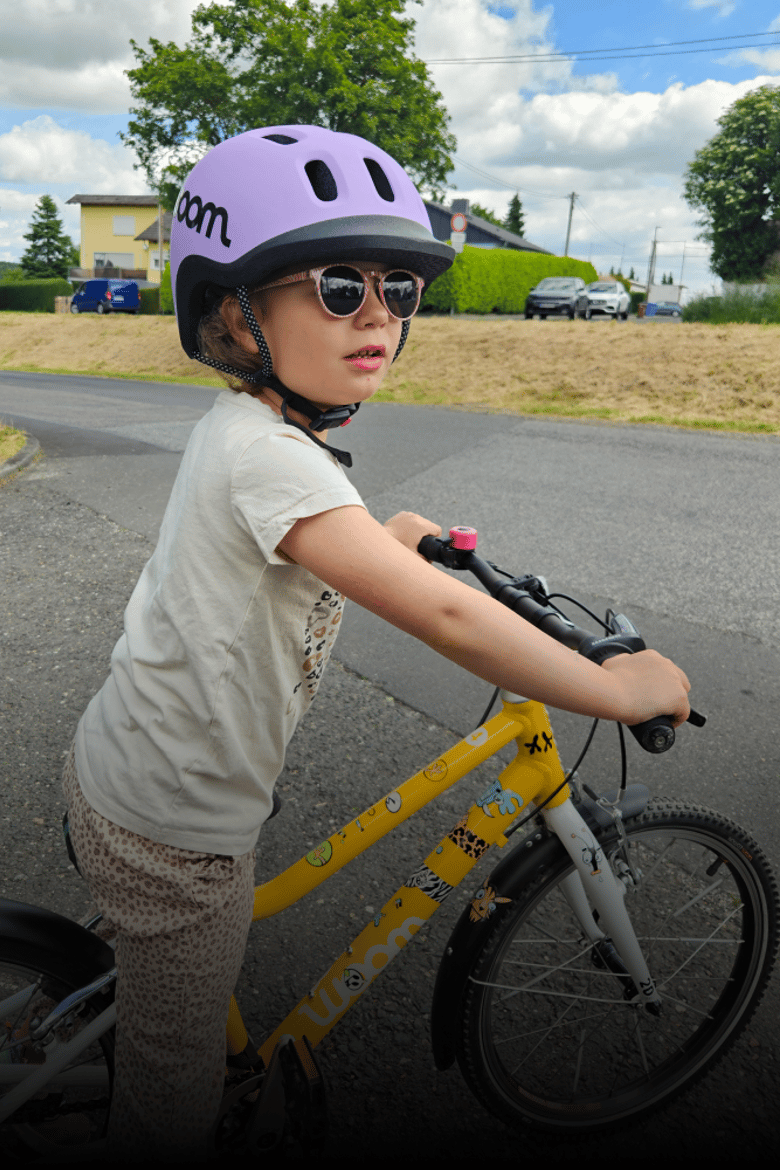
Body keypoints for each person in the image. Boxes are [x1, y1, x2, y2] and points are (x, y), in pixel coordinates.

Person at [63, 125, 691, 1161]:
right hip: (173, 834)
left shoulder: (262, 435)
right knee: (171, 1101)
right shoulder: (277, 462)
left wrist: (392, 538)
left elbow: (314, 547)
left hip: (140, 765)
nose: (381, 315)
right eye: (339, 286)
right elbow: (444, 617)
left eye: (399, 290)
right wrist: (616, 688)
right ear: (236, 311)